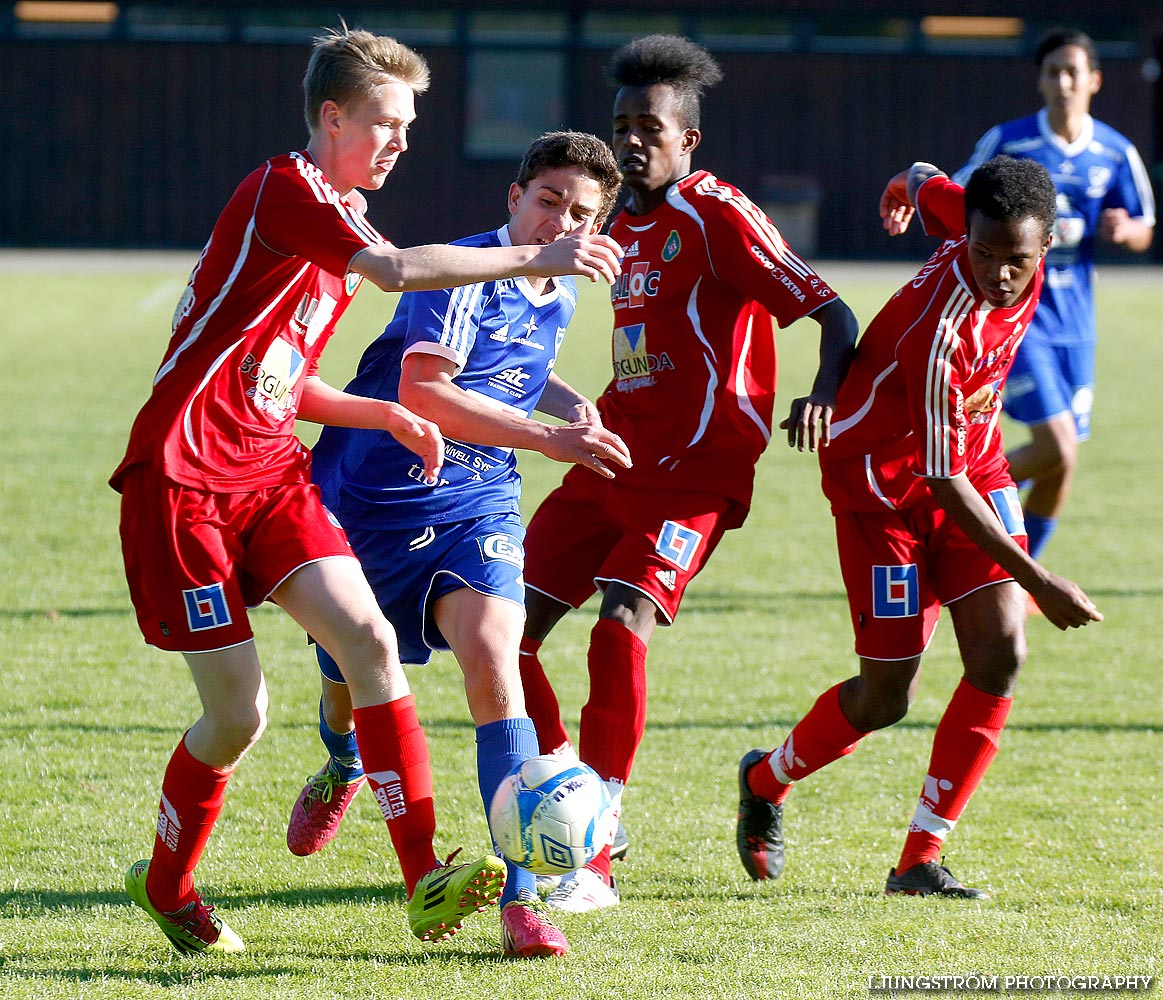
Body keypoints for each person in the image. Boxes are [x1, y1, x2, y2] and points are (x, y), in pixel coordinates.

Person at [111, 27, 622, 956]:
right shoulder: (287, 191)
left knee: (371, 644)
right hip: (182, 476)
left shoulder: (337, 221)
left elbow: (281, 383)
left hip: (268, 469)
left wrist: (377, 414)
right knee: (238, 718)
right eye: (383, 123)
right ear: (331, 116)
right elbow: (394, 272)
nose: (398, 142)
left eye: (409, 127)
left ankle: (425, 880)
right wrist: (532, 258)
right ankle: (167, 883)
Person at [513, 34, 861, 913]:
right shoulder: (615, 224)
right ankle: (566, 787)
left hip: (699, 471)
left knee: (619, 625)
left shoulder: (719, 213)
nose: (632, 141)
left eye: (650, 128)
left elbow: (832, 312)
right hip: (613, 453)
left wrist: (819, 395)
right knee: (500, 627)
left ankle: (596, 831)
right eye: (622, 125)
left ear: (686, 138)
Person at [282, 130, 628, 958]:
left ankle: (521, 894)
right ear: (513, 197)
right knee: (346, 685)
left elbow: (509, 365)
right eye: (548, 202)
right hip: (373, 501)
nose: (560, 225)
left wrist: (567, 397)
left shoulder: (563, 284)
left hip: (479, 503)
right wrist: (548, 439)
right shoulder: (461, 275)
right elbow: (425, 390)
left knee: (493, 659)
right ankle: (341, 763)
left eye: (581, 215)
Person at [735, 156, 1103, 900]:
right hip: (881, 491)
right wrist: (1039, 579)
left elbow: (930, 178)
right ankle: (765, 777)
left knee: (1000, 655)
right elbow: (939, 479)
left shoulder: (979, 216)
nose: (999, 274)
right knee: (885, 698)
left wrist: (904, 186)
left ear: (1046, 245)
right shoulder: (945, 332)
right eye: (984, 254)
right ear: (965, 240)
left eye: (1016, 260)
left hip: (977, 468)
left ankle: (918, 858)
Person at [952, 28, 1154, 566]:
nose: (1064, 82)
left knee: (1063, 464)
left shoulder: (1115, 151)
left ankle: (1017, 580)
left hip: (1077, 326)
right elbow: (959, 197)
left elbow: (1145, 227)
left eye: (1073, 72)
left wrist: (1125, 229)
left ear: (1094, 80)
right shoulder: (1011, 143)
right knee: (1055, 448)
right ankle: (948, 488)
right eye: (1053, 72)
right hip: (1022, 320)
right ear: (1040, 81)